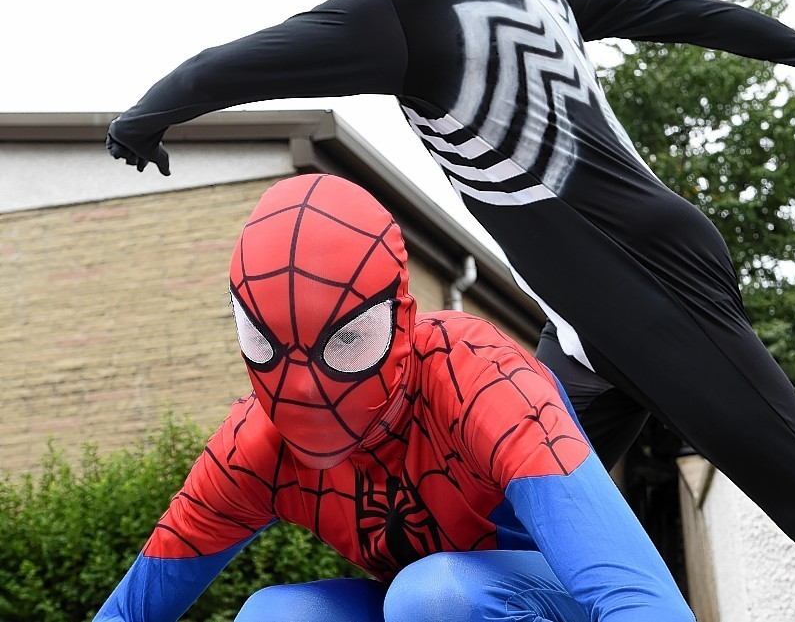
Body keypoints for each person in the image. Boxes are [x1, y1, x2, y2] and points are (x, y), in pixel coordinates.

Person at [104, 0, 795, 620]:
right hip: (588, 321)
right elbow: (665, 5)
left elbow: (239, 62)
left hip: (647, 286)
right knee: (503, 523)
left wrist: (146, 115)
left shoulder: (389, 11)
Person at [93, 173, 693, 622]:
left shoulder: (478, 381)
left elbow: (639, 596)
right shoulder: (257, 445)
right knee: (276, 617)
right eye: (266, 344)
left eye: (350, 341)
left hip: (546, 598)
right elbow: (128, 613)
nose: (309, 388)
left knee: (434, 596)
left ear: (400, 317)